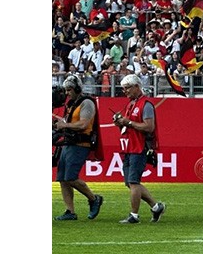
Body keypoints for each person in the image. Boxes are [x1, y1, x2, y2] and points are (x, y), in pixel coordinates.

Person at [113, 74, 166, 224]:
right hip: (129, 147)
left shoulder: (146, 104)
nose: (125, 91)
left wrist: (128, 122)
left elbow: (149, 127)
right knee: (129, 182)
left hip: (139, 147)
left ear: (137, 86)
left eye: (128, 88)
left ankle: (134, 215)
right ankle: (156, 207)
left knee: (133, 181)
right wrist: (120, 123)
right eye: (123, 89)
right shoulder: (131, 104)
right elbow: (128, 126)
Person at [53, 75, 103, 221]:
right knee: (62, 178)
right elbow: (66, 123)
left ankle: (94, 199)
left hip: (80, 143)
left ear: (77, 89)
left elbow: (83, 124)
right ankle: (70, 211)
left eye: (69, 90)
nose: (67, 93)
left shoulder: (87, 103)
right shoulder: (71, 104)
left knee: (71, 177)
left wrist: (65, 125)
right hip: (68, 143)